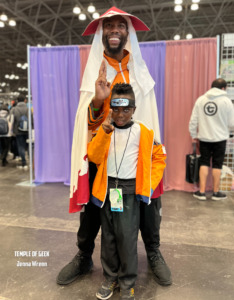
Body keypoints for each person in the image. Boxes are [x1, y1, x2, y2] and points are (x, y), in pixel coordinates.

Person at [57, 6, 172, 287]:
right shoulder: (96, 72)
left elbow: (149, 117)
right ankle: (84, 256)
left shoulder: (139, 72)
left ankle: (154, 253)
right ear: (102, 33)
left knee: (148, 206)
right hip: (102, 155)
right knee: (94, 209)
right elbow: (89, 122)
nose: (114, 30)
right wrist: (98, 100)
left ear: (127, 32)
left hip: (136, 156)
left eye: (120, 26)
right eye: (109, 26)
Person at [88, 83, 166, 300]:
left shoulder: (144, 132)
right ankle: (110, 277)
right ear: (111, 107)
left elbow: (159, 157)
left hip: (130, 191)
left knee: (127, 238)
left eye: (126, 109)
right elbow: (93, 157)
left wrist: (148, 185)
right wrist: (103, 134)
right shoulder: (105, 129)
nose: (120, 114)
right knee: (109, 237)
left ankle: (127, 281)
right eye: (115, 108)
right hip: (107, 190)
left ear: (134, 108)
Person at [189, 78, 234, 201]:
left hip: (204, 137)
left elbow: (193, 120)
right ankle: (215, 192)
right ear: (224, 88)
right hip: (220, 138)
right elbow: (232, 122)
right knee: (217, 164)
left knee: (204, 162)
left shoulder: (201, 99)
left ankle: (202, 192)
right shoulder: (226, 101)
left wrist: (193, 134)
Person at [11, 95, 29, 170]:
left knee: (20, 146)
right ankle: (31, 162)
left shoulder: (14, 109)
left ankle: (24, 162)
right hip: (28, 130)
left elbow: (12, 121)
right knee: (29, 146)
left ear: (17, 101)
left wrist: (12, 131)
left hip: (18, 131)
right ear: (25, 100)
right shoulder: (28, 109)